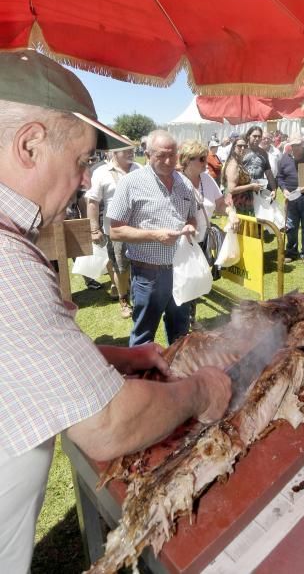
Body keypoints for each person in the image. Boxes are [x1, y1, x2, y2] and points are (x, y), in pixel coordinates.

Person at [0, 50, 231, 574]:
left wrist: (116, 357)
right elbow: (107, 426)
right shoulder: (6, 264)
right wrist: (201, 390)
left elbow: (17, 361)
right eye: (82, 161)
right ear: (29, 144)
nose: (86, 181)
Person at [107, 130, 198, 347]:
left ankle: (174, 375)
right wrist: (154, 236)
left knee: (180, 333)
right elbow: (115, 231)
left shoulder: (184, 182)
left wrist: (190, 226)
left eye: (172, 155)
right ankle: (140, 379)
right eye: (161, 155)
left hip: (180, 270)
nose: (168, 161)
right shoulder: (130, 183)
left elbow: (192, 217)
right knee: (143, 336)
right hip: (148, 275)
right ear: (147, 155)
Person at [179, 140, 235, 324]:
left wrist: (230, 212)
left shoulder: (207, 179)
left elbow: (219, 204)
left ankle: (189, 320)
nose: (206, 163)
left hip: (202, 240)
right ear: (187, 160)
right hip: (181, 244)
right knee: (184, 282)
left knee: (196, 281)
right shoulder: (176, 181)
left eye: (206, 158)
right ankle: (180, 323)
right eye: (202, 159)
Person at [85, 144, 141, 318]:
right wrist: (94, 229)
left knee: (141, 265)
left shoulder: (139, 169)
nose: (131, 152)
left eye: (133, 149)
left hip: (140, 228)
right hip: (116, 231)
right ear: (114, 153)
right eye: (126, 150)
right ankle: (124, 300)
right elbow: (92, 202)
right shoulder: (101, 172)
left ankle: (140, 298)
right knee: (121, 268)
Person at [277, 134, 304, 264]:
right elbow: (280, 177)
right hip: (291, 197)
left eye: (298, 146)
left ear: (302, 144)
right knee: (291, 226)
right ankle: (291, 251)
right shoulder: (285, 158)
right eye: (293, 146)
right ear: (290, 146)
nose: (296, 149)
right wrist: (284, 190)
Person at [222, 135, 261, 215]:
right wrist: (251, 186)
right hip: (238, 206)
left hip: (245, 205)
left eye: (245, 146)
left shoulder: (238, 162)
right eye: (240, 146)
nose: (243, 148)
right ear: (234, 148)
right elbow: (231, 189)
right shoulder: (233, 165)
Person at [242, 125, 277, 199]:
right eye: (254, 136)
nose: (257, 138)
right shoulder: (242, 150)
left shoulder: (263, 153)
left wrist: (274, 189)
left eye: (259, 136)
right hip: (243, 191)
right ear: (248, 136)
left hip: (258, 191)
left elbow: (269, 173)